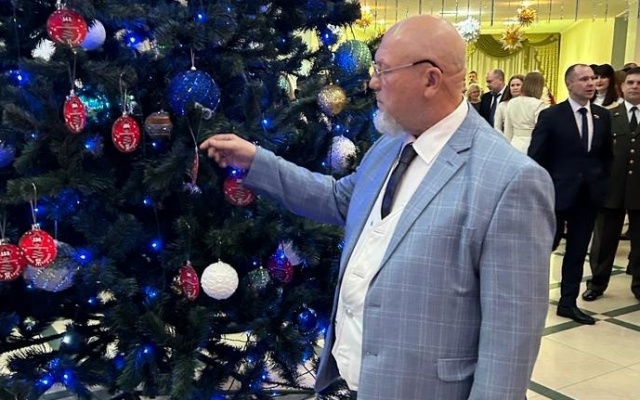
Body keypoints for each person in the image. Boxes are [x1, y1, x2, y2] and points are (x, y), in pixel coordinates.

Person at [201, 15, 555, 400]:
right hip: (355, 384)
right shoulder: (391, 144)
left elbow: (510, 339)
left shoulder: (511, 180)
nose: (372, 82)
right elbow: (339, 198)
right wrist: (257, 161)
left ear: (430, 80)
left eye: (383, 70)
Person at [529, 64, 613, 325]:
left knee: (577, 252)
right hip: (555, 195)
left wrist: (601, 184)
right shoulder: (552, 116)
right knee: (544, 249)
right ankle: (530, 299)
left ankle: (568, 303)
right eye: (584, 79)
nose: (591, 83)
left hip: (587, 196)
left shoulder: (601, 116)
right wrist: (540, 191)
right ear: (569, 84)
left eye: (593, 79)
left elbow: (607, 155)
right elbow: (536, 157)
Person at [585, 66, 640, 303]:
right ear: (622, 87)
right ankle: (597, 284)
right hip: (611, 188)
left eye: (639, 83)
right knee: (603, 242)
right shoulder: (608, 116)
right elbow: (597, 152)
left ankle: (639, 286)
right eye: (631, 83)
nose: (635, 87)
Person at [503, 71, 547, 153]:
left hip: (514, 144)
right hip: (532, 145)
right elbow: (541, 130)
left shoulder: (512, 102)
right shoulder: (538, 104)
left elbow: (508, 129)